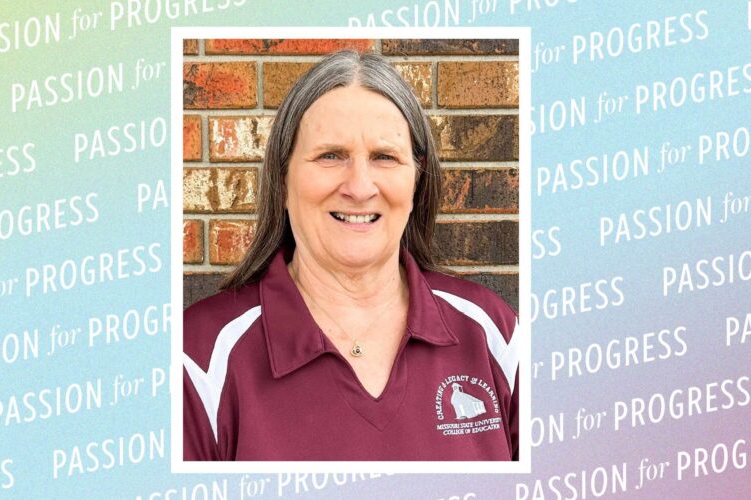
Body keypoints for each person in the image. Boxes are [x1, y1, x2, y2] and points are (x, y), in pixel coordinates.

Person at [183, 50, 520, 461]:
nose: (360, 187)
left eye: (384, 157)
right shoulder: (197, 359)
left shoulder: (494, 335)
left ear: (416, 179)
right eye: (330, 155)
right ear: (282, 177)